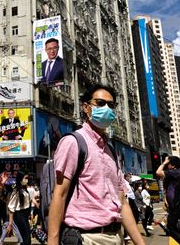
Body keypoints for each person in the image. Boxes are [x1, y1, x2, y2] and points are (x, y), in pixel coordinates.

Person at [47, 84, 145, 245]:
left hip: (115, 236)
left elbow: (122, 200)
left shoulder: (110, 150)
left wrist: (140, 243)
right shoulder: (73, 142)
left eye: (111, 105)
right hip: (88, 238)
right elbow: (60, 194)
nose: (106, 108)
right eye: (100, 103)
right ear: (86, 107)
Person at [156, 156, 180, 244]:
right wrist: (166, 199)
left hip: (178, 207)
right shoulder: (175, 173)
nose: (166, 166)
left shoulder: (175, 172)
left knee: (171, 228)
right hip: (175, 207)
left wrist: (164, 162)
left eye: (168, 164)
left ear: (172, 165)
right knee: (179, 229)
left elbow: (158, 172)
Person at [6, 171, 31, 245]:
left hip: (25, 215)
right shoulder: (16, 191)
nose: (27, 180)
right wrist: (10, 223)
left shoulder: (24, 189)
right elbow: (11, 207)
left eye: (27, 178)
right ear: (20, 178)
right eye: (25, 178)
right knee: (25, 237)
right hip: (19, 215)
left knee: (27, 237)